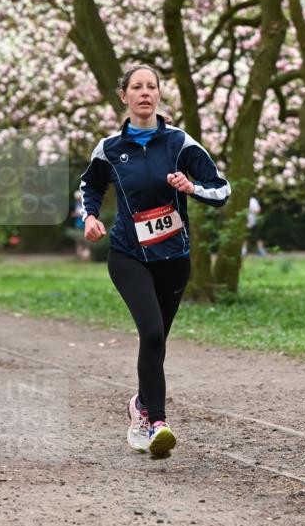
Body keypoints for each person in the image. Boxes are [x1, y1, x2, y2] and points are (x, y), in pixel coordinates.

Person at [80, 64, 230, 456]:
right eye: (137, 87)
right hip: (128, 255)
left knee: (157, 339)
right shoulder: (109, 148)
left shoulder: (180, 143)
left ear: (159, 95)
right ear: (124, 96)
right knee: (150, 332)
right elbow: (90, 185)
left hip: (174, 257)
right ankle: (156, 422)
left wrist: (191, 187)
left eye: (151, 86)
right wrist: (90, 216)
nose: (145, 93)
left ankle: (139, 403)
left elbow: (221, 190)